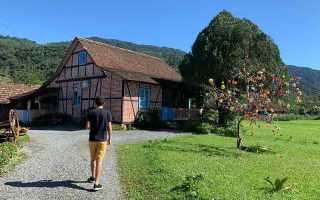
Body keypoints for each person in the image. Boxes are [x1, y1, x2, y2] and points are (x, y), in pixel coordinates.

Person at [86, 96, 112, 191]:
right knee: (99, 161)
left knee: (93, 159)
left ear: (95, 103)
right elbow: (109, 127)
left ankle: (92, 177)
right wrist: (110, 138)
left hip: (92, 139)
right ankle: (96, 183)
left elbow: (87, 127)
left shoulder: (91, 112)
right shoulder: (107, 113)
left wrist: (93, 127)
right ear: (103, 103)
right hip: (102, 140)